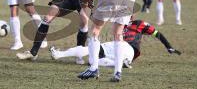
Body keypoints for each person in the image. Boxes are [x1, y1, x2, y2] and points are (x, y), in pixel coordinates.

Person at [50, 19, 181, 68]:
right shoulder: (119, 24)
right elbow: (157, 34)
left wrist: (168, 45)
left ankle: (59, 54)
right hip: (122, 49)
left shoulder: (138, 23)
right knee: (92, 59)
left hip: (127, 48)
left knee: (91, 52)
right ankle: (121, 63)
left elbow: (156, 33)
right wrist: (168, 46)